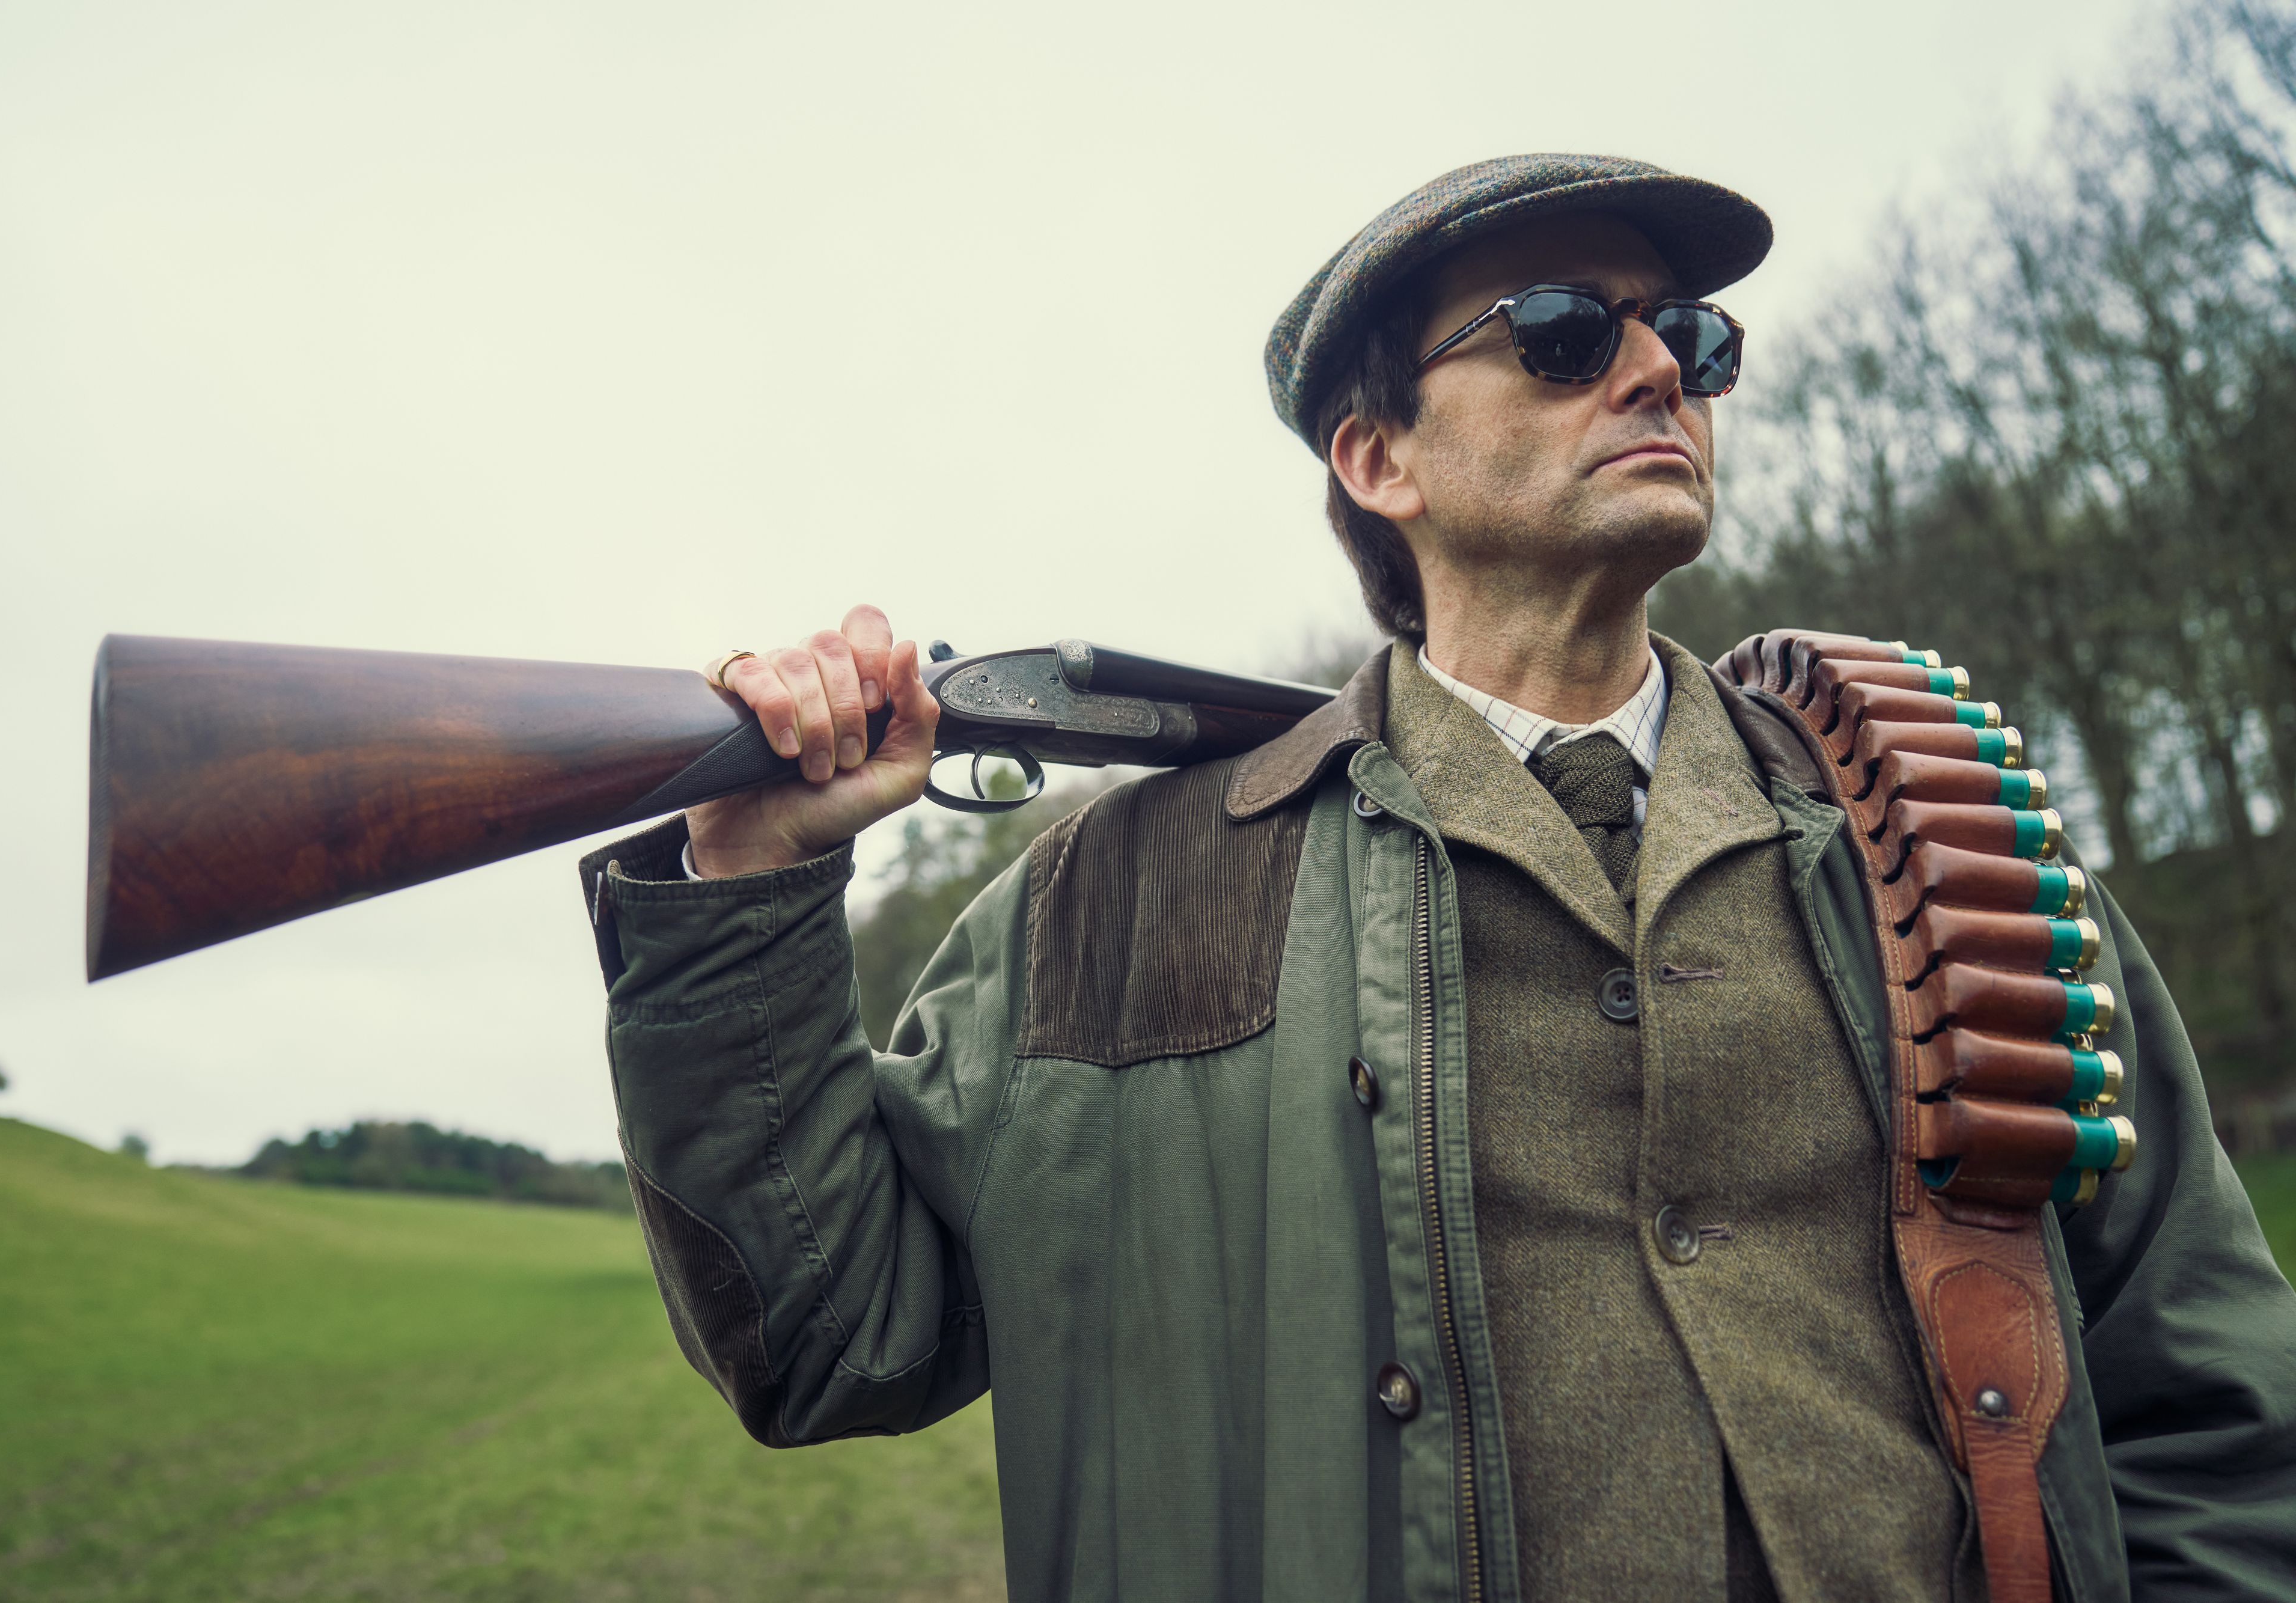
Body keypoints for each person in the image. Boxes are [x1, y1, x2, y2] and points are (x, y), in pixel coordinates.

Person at [578, 156, 2296, 1601]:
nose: (1656, 373)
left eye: (1687, 335)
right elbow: (825, 1334)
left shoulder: (1945, 839)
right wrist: (745, 882)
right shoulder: (1114, 898)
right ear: (1375, 458)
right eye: (1562, 333)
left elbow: (2209, 1400)